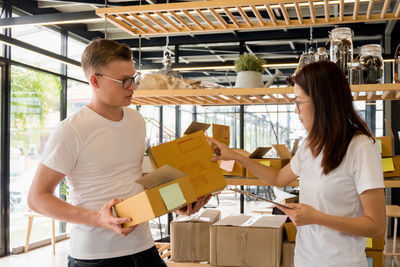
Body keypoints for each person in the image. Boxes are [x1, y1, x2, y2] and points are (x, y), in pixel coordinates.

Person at [28, 38, 210, 267]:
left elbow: (134, 182)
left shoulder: (136, 120)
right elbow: (36, 198)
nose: (132, 87)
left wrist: (177, 202)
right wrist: (98, 218)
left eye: (134, 78)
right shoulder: (72, 130)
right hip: (96, 257)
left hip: (144, 247)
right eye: (124, 81)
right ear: (95, 81)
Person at [209, 61, 386, 267]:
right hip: (304, 260)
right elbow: (278, 179)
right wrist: (237, 157)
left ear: (322, 102)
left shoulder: (361, 148)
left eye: (299, 102)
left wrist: (316, 217)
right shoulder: (310, 144)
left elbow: (377, 226)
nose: (296, 111)